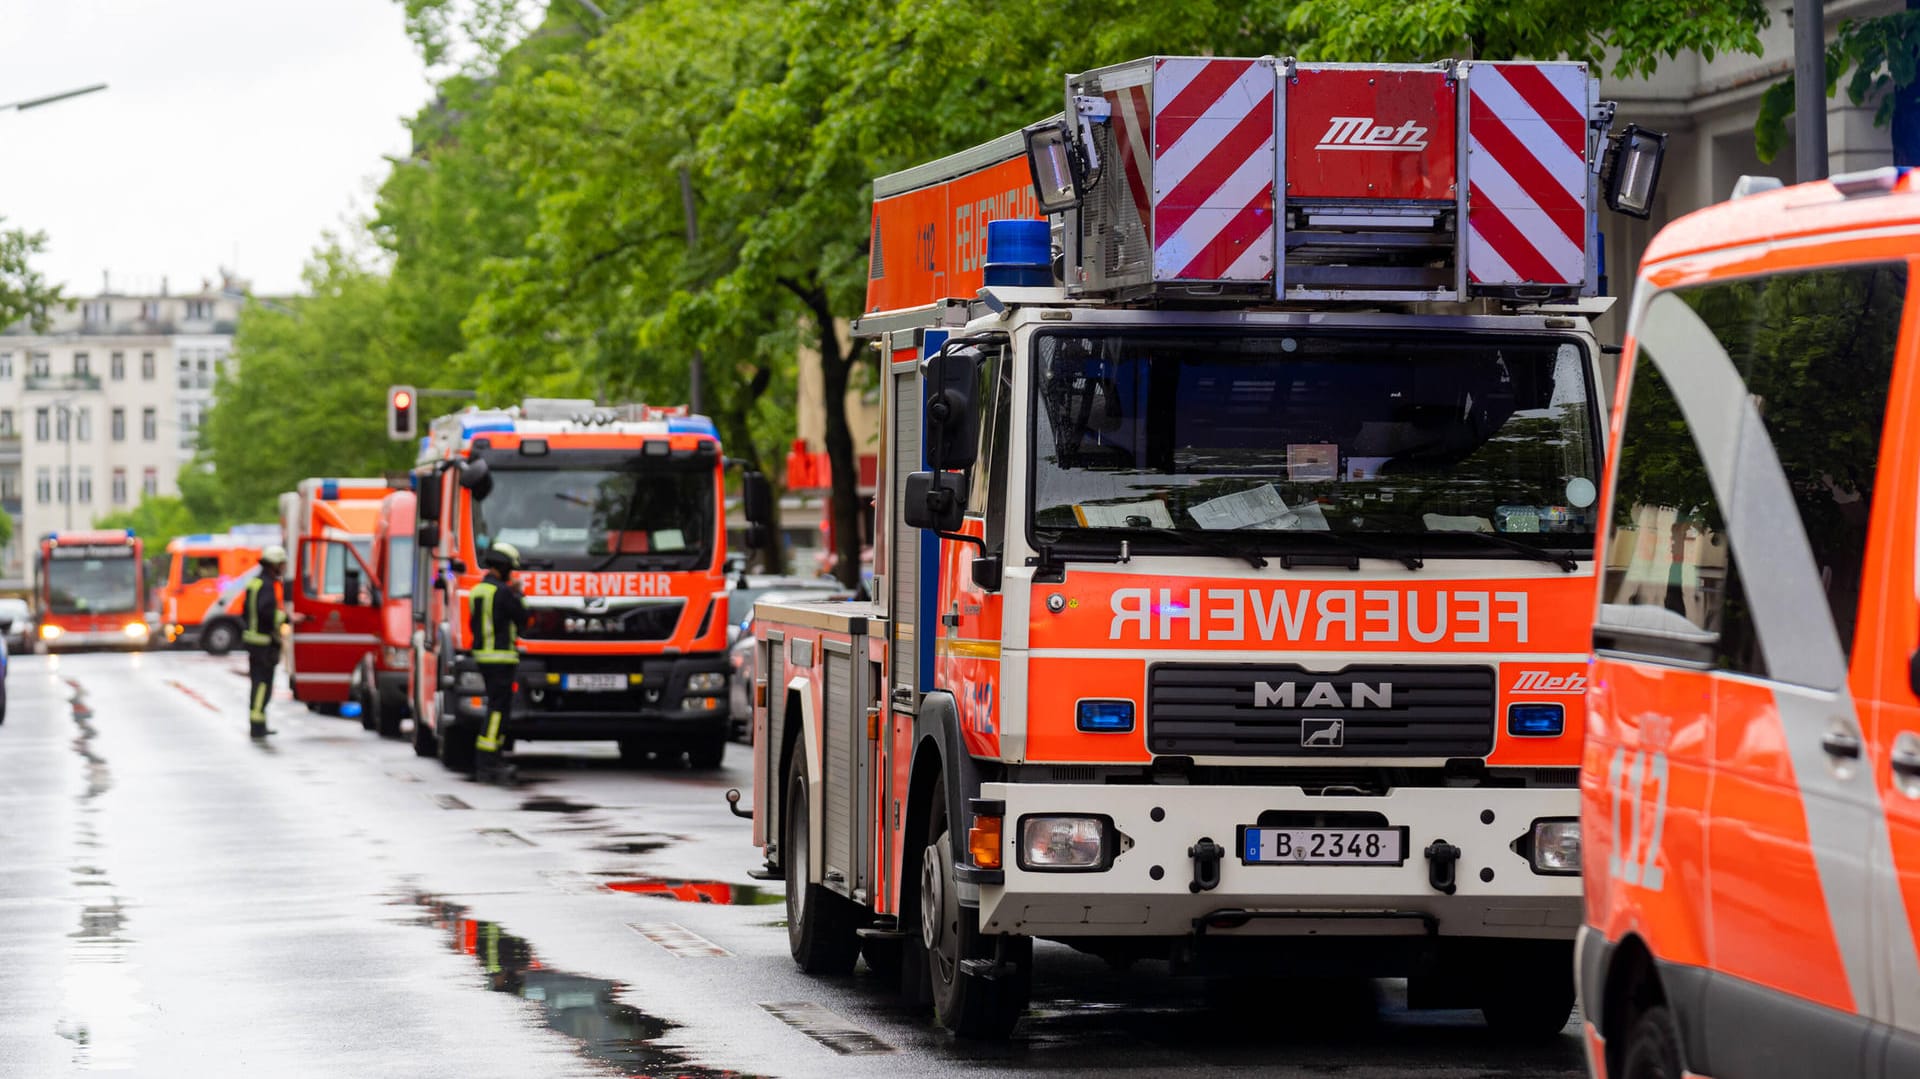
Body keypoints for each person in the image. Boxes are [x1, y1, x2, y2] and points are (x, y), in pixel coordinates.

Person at [469, 541, 527, 783]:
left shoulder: (477, 591)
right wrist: (518, 594)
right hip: (501, 658)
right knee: (497, 710)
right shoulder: (503, 592)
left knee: (494, 707)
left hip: (483, 657)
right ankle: (489, 761)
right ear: (503, 567)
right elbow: (523, 619)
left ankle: (490, 758)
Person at [242, 546, 289, 738]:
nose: (283, 568)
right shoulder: (268, 585)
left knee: (256, 682)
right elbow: (267, 613)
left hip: (252, 641)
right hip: (264, 644)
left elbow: (245, 612)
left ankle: (258, 723)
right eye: (282, 565)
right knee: (263, 684)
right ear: (275, 565)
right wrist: (287, 618)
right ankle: (258, 725)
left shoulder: (254, 583)